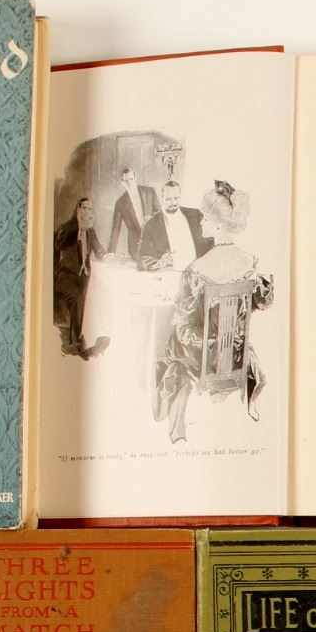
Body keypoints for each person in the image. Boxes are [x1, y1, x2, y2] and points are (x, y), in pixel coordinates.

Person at [155, 180, 268, 442]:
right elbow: (260, 303)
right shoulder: (251, 263)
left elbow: (184, 322)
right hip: (237, 352)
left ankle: (175, 419)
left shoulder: (196, 269)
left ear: (218, 225)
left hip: (205, 354)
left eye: (205, 217)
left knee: (171, 343)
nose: (201, 221)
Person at [52, 196, 108, 359]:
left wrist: (107, 256)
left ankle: (91, 339)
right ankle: (75, 344)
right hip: (66, 276)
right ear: (78, 210)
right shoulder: (67, 228)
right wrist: (77, 229)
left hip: (84, 276)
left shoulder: (90, 231)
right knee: (77, 298)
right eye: (84, 209)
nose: (88, 212)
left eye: (90, 209)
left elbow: (99, 251)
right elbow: (59, 244)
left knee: (95, 296)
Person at [138, 180, 211, 272]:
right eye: (168, 199)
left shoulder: (195, 215)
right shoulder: (150, 225)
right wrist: (158, 262)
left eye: (176, 198)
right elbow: (142, 258)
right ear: (161, 198)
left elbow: (212, 240)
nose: (173, 202)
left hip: (199, 272)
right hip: (171, 275)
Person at [107, 166, 156, 260]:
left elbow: (160, 214)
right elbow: (116, 229)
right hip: (135, 245)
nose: (129, 183)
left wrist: (152, 218)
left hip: (154, 239)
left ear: (135, 178)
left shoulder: (150, 191)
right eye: (126, 181)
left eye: (131, 179)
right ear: (122, 183)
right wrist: (111, 251)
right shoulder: (120, 203)